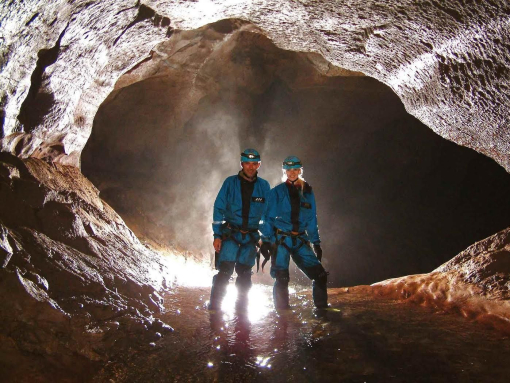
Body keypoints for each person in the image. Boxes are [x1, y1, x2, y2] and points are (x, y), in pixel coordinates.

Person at [260, 155, 328, 310]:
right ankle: (282, 313)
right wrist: (266, 239)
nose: (292, 173)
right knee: (282, 278)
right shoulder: (277, 192)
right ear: (285, 171)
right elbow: (267, 218)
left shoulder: (307, 192)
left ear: (299, 170)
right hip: (281, 240)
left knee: (320, 275)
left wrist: (316, 242)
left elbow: (311, 219)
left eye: (295, 169)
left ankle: (322, 311)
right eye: (289, 170)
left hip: (300, 240)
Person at [209, 149, 271, 310]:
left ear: (259, 165)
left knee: (244, 275)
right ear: (241, 164)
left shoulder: (264, 186)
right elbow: (218, 208)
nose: (251, 167)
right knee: (224, 273)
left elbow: (267, 213)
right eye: (247, 163)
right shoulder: (230, 183)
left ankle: (241, 311)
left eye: (254, 164)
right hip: (231, 234)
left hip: (250, 237)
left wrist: (264, 237)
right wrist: (217, 235)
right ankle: (215, 309)